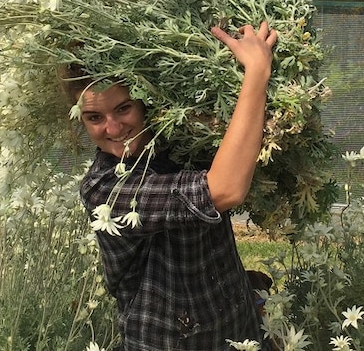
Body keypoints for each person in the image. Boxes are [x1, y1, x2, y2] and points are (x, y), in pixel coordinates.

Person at [69, 21, 277, 350]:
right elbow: (224, 190)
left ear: (143, 102)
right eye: (94, 117)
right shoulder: (106, 189)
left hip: (237, 326)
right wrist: (256, 71)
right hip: (166, 341)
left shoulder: (177, 142)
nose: (112, 127)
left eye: (123, 108)